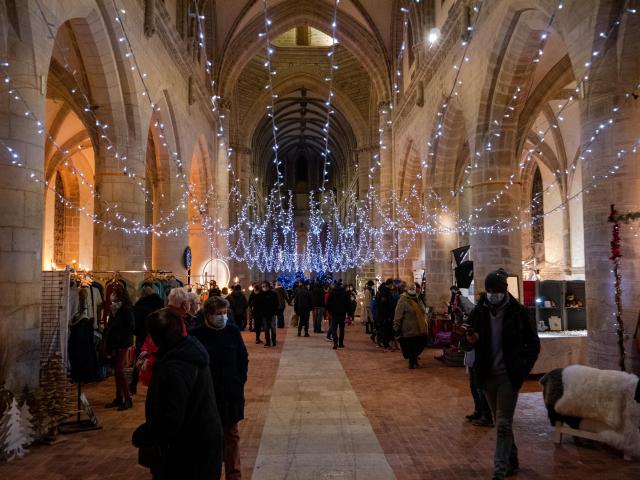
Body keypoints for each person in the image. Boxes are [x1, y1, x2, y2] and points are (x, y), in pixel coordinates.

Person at [462, 268, 540, 480]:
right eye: (489, 291)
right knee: (500, 422)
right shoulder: (479, 312)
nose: (492, 294)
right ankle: (511, 460)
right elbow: (465, 343)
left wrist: (522, 370)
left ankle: (499, 470)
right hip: (487, 376)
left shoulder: (518, 312)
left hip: (508, 376)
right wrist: (469, 341)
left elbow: (533, 345)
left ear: (504, 290)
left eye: (495, 290)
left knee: (504, 423)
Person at [132, 308, 223, 480]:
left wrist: (143, 435)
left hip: (187, 451)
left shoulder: (175, 366)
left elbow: (171, 417)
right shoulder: (189, 351)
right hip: (201, 442)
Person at [192, 297, 248, 480]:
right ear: (208, 315)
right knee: (209, 438)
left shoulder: (232, 331)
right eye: (218, 314)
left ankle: (234, 475)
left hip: (230, 393)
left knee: (231, 436)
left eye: (225, 313)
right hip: (207, 395)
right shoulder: (197, 336)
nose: (222, 317)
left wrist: (239, 381)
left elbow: (242, 358)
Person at [105, 285, 135, 410]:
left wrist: (118, 335)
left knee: (119, 370)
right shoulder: (114, 308)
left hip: (122, 343)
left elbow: (130, 327)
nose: (113, 295)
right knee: (116, 371)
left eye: (115, 293)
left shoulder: (126, 308)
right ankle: (119, 397)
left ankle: (128, 398)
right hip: (115, 343)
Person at [130, 286, 163, 395]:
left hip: (142, 336)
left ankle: (133, 385)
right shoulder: (160, 304)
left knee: (139, 360)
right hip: (156, 337)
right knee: (156, 360)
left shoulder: (138, 307)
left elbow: (135, 324)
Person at [393, 283, 428, 369]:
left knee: (419, 344)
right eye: (411, 288)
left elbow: (423, 309)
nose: (413, 289)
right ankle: (411, 362)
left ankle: (414, 360)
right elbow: (398, 314)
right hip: (408, 329)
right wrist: (396, 326)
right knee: (410, 346)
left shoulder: (418, 298)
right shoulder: (403, 300)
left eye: (414, 288)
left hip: (419, 327)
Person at [326, 280, 350, 349]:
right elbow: (347, 304)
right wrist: (348, 313)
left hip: (334, 313)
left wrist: (330, 311)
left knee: (334, 328)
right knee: (342, 329)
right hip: (342, 313)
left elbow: (328, 304)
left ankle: (335, 342)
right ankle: (341, 343)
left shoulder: (332, 293)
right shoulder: (344, 293)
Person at [254, 281, 279, 347]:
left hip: (272, 314)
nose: (263, 288)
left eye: (264, 286)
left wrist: (275, 311)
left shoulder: (273, 294)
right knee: (266, 329)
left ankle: (273, 341)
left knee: (273, 328)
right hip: (264, 314)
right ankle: (267, 342)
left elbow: (276, 303)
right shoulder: (261, 294)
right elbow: (258, 303)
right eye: (262, 286)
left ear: (268, 286)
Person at [374, 279, 395, 349]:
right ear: (390, 284)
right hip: (385, 314)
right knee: (385, 329)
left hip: (383, 314)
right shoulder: (385, 292)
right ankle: (385, 343)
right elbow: (384, 305)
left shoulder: (383, 291)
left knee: (383, 329)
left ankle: (381, 342)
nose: (392, 286)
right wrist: (387, 315)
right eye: (392, 284)